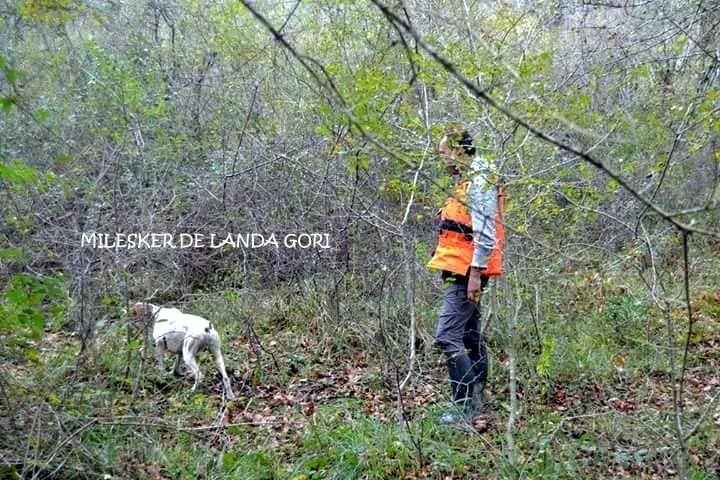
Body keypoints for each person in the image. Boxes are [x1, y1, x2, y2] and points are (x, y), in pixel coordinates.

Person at [427, 124, 504, 425]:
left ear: (460, 152)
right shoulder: (469, 179)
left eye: (445, 153)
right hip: (460, 267)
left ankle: (465, 407)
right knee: (470, 334)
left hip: (467, 271)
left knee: (447, 337)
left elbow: (485, 234)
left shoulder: (480, 181)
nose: (443, 160)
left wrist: (475, 273)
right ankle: (477, 398)